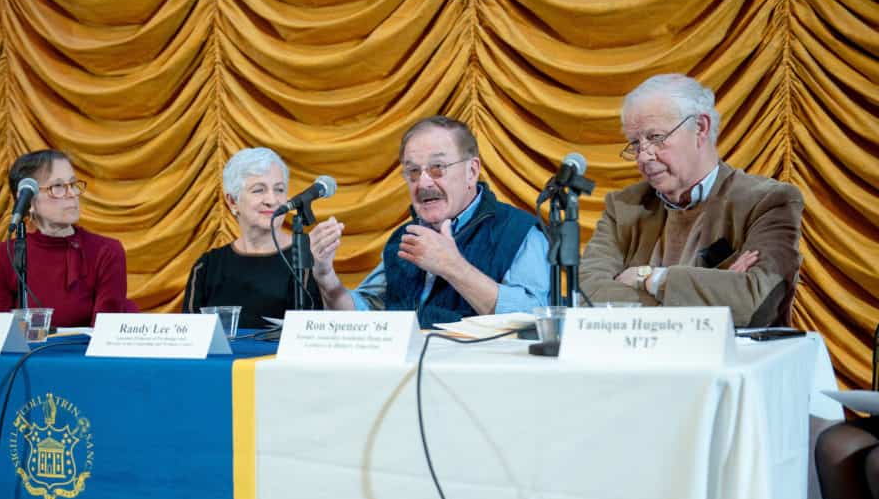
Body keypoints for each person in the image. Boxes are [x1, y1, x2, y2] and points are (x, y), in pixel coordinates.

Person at [578, 74, 803, 327]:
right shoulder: (624, 206)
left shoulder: (766, 202)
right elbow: (588, 297)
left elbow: (755, 305)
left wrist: (650, 278)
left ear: (700, 128)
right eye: (635, 143)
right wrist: (714, 293)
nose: (643, 156)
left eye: (655, 138)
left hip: (729, 361)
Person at [309, 116, 549, 327]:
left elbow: (535, 320)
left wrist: (453, 267)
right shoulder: (404, 239)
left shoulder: (519, 231)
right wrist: (326, 276)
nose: (423, 183)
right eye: (413, 171)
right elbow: (363, 318)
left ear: (472, 171)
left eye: (438, 168)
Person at [0, 149, 132, 328]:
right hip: (25, 356)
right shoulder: (3, 256)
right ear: (28, 200)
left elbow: (104, 336)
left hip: (83, 355)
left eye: (72, 184)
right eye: (58, 187)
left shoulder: (107, 251)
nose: (71, 193)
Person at [182, 148, 322, 328]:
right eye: (258, 190)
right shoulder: (207, 266)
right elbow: (191, 339)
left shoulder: (307, 259)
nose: (272, 200)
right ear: (232, 201)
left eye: (279, 189)